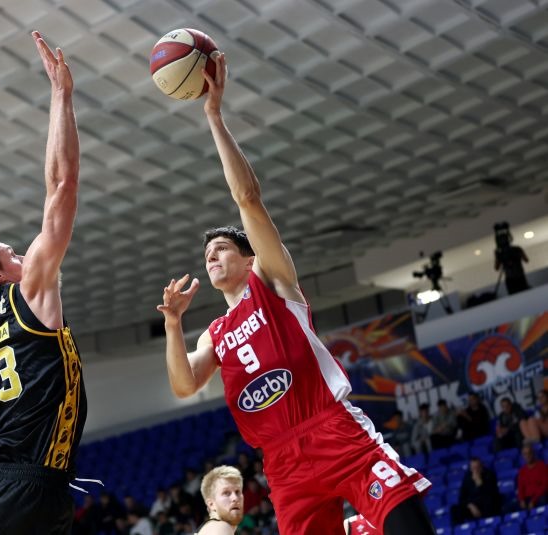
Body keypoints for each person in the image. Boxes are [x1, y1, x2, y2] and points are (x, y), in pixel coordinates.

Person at [157, 53, 434, 535]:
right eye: (207, 254)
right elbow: (184, 386)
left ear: (249, 259)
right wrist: (173, 325)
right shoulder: (215, 333)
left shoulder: (272, 281)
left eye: (222, 249)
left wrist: (214, 116)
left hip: (333, 430)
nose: (212, 257)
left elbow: (248, 199)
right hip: (283, 465)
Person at [0, 32, 87, 535]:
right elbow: (62, 185)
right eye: (13, 254)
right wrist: (61, 94)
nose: (26, 255)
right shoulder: (30, 295)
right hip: (31, 488)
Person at [195, 466, 244, 534]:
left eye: (237, 492)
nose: (235, 498)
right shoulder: (221, 527)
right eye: (226, 493)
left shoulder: (212, 527)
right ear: (211, 504)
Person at [451, 457, 500, 524]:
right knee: (455, 509)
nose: (475, 470)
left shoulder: (489, 475)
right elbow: (462, 498)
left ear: (481, 467)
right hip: (473, 506)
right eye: (473, 468)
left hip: (487, 505)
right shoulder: (467, 478)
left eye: (477, 467)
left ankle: (489, 523)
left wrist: (480, 484)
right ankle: (460, 528)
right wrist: (470, 505)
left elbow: (491, 494)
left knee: (489, 501)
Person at [494, 223, 529, 295]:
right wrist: (498, 257)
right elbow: (497, 267)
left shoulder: (516, 249)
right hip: (511, 279)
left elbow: (526, 260)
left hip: (519, 276)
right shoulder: (501, 253)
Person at [517, 444, 548, 510]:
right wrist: (521, 500)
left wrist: (534, 500)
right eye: (525, 454)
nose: (527, 456)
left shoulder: (542, 466)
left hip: (539, 497)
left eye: (529, 453)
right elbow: (520, 488)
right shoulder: (522, 471)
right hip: (527, 498)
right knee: (510, 506)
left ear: (533, 453)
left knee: (543, 499)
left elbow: (544, 486)